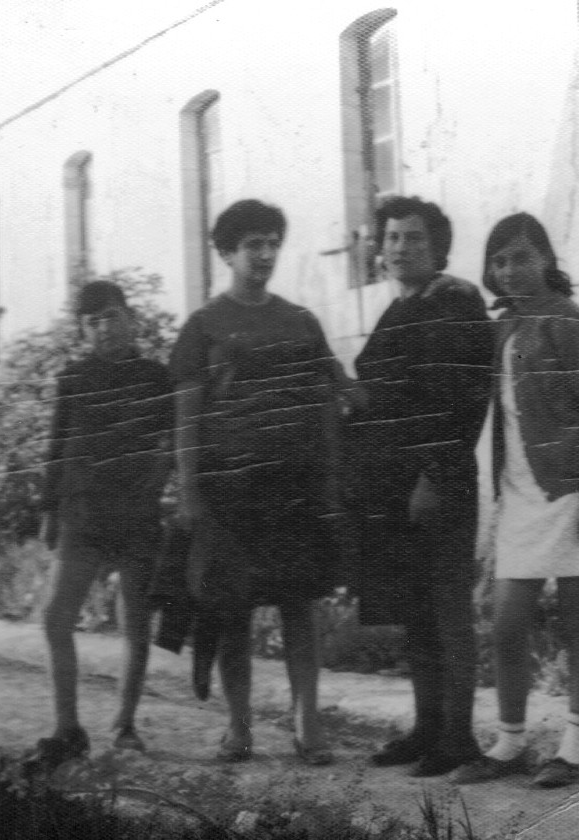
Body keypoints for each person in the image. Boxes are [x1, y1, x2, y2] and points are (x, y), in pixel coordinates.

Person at [449, 212, 579, 788]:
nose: (510, 270)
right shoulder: (503, 328)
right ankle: (510, 743)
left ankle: (574, 749)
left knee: (578, 621)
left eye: (522, 257)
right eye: (499, 261)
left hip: (572, 490)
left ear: (547, 259)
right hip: (521, 496)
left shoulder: (570, 322)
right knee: (507, 622)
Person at [170, 199, 341, 766]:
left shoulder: (300, 321)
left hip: (292, 487)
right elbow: (187, 417)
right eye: (252, 245)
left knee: (299, 605)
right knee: (231, 610)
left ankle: (307, 723)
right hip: (228, 492)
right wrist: (189, 493)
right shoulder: (203, 327)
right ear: (226, 253)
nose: (265, 255)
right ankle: (238, 727)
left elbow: (324, 404)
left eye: (272, 243)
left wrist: (328, 483)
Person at [347, 195, 495, 777]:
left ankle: (458, 739)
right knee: (416, 610)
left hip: (439, 482)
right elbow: (389, 395)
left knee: (447, 609)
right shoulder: (402, 306)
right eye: (392, 237)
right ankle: (427, 730)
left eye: (414, 238)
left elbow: (463, 399)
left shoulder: (455, 302)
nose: (400, 247)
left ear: (438, 247)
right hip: (395, 483)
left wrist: (435, 475)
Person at [31, 280, 173, 772]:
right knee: (54, 618)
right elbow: (57, 445)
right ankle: (67, 727)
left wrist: (158, 480)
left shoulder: (156, 376)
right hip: (82, 514)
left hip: (136, 515)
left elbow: (173, 440)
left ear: (130, 318)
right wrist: (49, 510)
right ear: (82, 330)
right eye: (92, 322)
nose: (103, 328)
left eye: (111, 316)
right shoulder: (73, 377)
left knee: (135, 625)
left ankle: (125, 724)